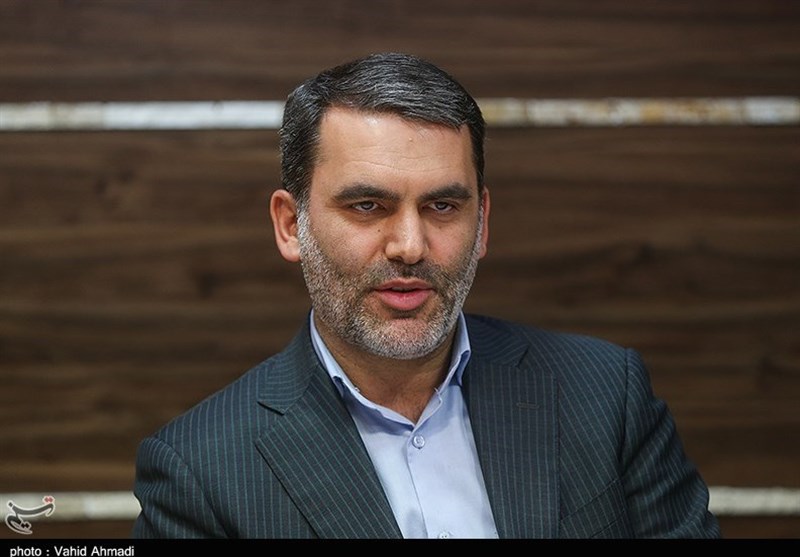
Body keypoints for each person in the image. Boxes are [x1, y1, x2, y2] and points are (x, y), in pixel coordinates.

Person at [132, 52, 721, 539]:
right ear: (291, 226)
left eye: (442, 206)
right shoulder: (200, 472)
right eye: (368, 206)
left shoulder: (606, 395)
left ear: (481, 223)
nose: (410, 247)